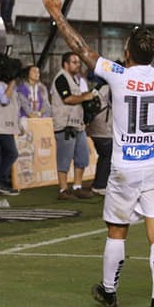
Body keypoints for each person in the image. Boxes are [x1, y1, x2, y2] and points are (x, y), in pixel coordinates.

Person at [43, 0, 154, 307]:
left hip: (124, 168)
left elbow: (80, 49)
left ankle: (109, 291)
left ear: (127, 53)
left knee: (116, 230)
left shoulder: (119, 75)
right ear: (151, 54)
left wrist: (56, 15)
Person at [49, 52, 95, 200]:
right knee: (64, 159)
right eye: (74, 62)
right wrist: (85, 96)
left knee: (82, 157)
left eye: (78, 62)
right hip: (65, 125)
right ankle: (63, 190)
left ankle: (77, 187)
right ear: (65, 64)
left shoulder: (75, 79)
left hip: (78, 125)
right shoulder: (61, 78)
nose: (78, 64)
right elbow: (67, 99)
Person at [0, 70, 20, 196]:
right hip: (0, 125)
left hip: (7, 125)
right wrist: (12, 83)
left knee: (1, 156)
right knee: (12, 153)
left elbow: (14, 106)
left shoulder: (6, 86)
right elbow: (4, 100)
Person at [86, 75, 112, 196]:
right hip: (104, 127)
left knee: (105, 155)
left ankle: (101, 183)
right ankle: (100, 184)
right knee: (107, 155)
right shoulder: (110, 88)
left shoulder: (98, 88)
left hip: (94, 126)